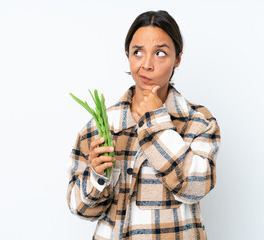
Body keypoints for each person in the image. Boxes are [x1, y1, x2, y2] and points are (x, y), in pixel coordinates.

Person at [67, 10, 221, 240]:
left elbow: (195, 187)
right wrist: (97, 177)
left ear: (177, 58)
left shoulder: (198, 121)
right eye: (137, 52)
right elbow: (80, 210)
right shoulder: (101, 125)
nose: (146, 65)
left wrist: (156, 121)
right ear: (127, 55)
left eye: (160, 53)